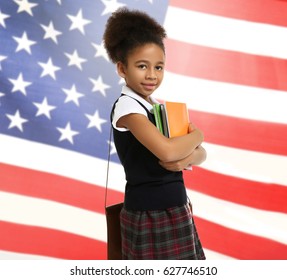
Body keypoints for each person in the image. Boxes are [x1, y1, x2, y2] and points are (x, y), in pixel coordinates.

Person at [103, 8, 206, 260]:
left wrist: (186, 159)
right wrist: (199, 135)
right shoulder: (127, 107)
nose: (152, 75)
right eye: (142, 66)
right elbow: (168, 150)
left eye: (159, 67)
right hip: (149, 215)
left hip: (176, 207)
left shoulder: (155, 105)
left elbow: (199, 155)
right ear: (121, 69)